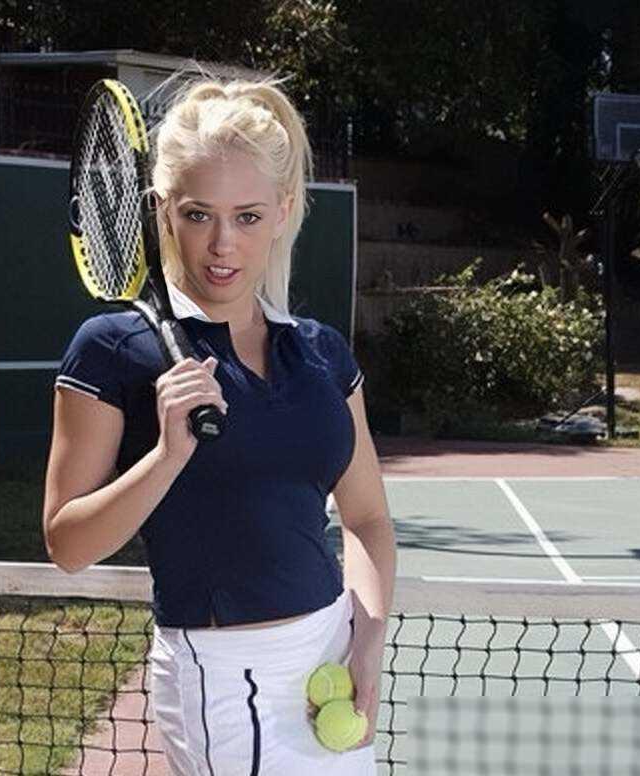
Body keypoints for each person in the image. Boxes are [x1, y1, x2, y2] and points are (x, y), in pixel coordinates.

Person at [42, 73, 396, 776]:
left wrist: (367, 640)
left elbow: (366, 519)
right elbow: (67, 543)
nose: (222, 244)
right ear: (162, 211)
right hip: (225, 680)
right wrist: (166, 456)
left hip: (331, 662)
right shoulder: (112, 349)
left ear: (284, 211)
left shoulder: (321, 352)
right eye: (199, 214)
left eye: (248, 217)